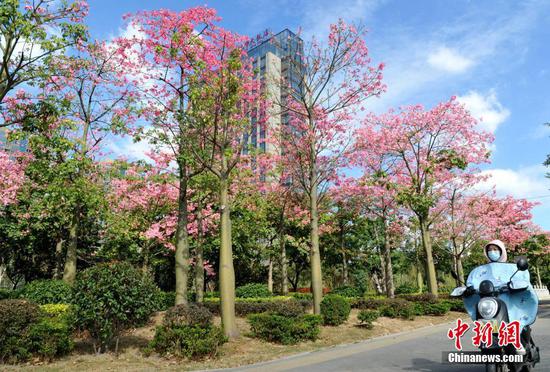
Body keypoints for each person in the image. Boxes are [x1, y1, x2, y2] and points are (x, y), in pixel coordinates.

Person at [484, 239, 527, 354]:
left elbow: (520, 279)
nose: (492, 252)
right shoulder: (483, 270)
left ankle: (517, 340)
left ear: (501, 251)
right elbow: (475, 281)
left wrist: (515, 285)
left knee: (513, 319)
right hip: (491, 303)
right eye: (489, 250)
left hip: (510, 300)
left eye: (495, 249)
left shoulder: (511, 268)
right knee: (487, 320)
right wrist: (469, 288)